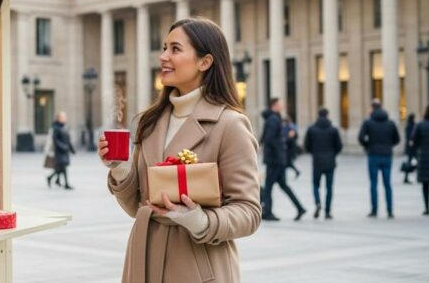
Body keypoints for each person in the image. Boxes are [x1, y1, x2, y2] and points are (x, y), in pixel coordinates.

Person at [97, 17, 260, 283]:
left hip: (197, 267)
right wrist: (120, 167)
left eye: (175, 49)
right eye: (164, 47)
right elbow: (137, 206)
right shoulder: (149, 122)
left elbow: (249, 212)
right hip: (143, 262)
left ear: (204, 62)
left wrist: (198, 220)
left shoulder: (230, 124)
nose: (163, 56)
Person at [261, 98, 307, 221]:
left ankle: (268, 211)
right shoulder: (274, 119)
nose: (282, 105)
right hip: (275, 159)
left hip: (276, 159)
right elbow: (270, 138)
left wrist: (282, 141)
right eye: (280, 104)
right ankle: (298, 208)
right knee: (277, 185)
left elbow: (267, 138)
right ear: (274, 105)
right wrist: (283, 142)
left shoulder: (274, 119)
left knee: (271, 186)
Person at [358, 99, 400, 218]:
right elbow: (397, 139)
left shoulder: (368, 122)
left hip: (373, 155)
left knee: (373, 183)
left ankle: (374, 209)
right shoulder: (390, 123)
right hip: (387, 155)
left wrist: (368, 145)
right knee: (387, 184)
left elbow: (361, 137)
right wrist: (388, 145)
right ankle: (390, 210)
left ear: (372, 108)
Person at [304, 108, 342, 219]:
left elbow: (307, 145)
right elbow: (339, 146)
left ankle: (317, 202)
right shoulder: (333, 129)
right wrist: (332, 154)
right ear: (327, 115)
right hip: (330, 161)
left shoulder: (312, 129)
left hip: (317, 161)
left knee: (316, 184)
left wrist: (314, 153)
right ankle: (327, 211)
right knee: (329, 187)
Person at [48, 111, 76, 190]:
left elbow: (68, 140)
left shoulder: (64, 127)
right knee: (62, 167)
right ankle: (65, 184)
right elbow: (55, 140)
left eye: (65, 117)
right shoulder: (56, 128)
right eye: (63, 117)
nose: (65, 119)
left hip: (65, 151)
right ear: (58, 118)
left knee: (61, 168)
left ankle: (51, 179)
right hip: (59, 151)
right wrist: (64, 147)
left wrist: (72, 149)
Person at [403, 113, 417, 184]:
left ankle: (406, 177)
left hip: (410, 148)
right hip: (412, 148)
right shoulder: (412, 126)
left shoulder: (410, 126)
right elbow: (410, 137)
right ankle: (406, 177)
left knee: (410, 162)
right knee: (411, 162)